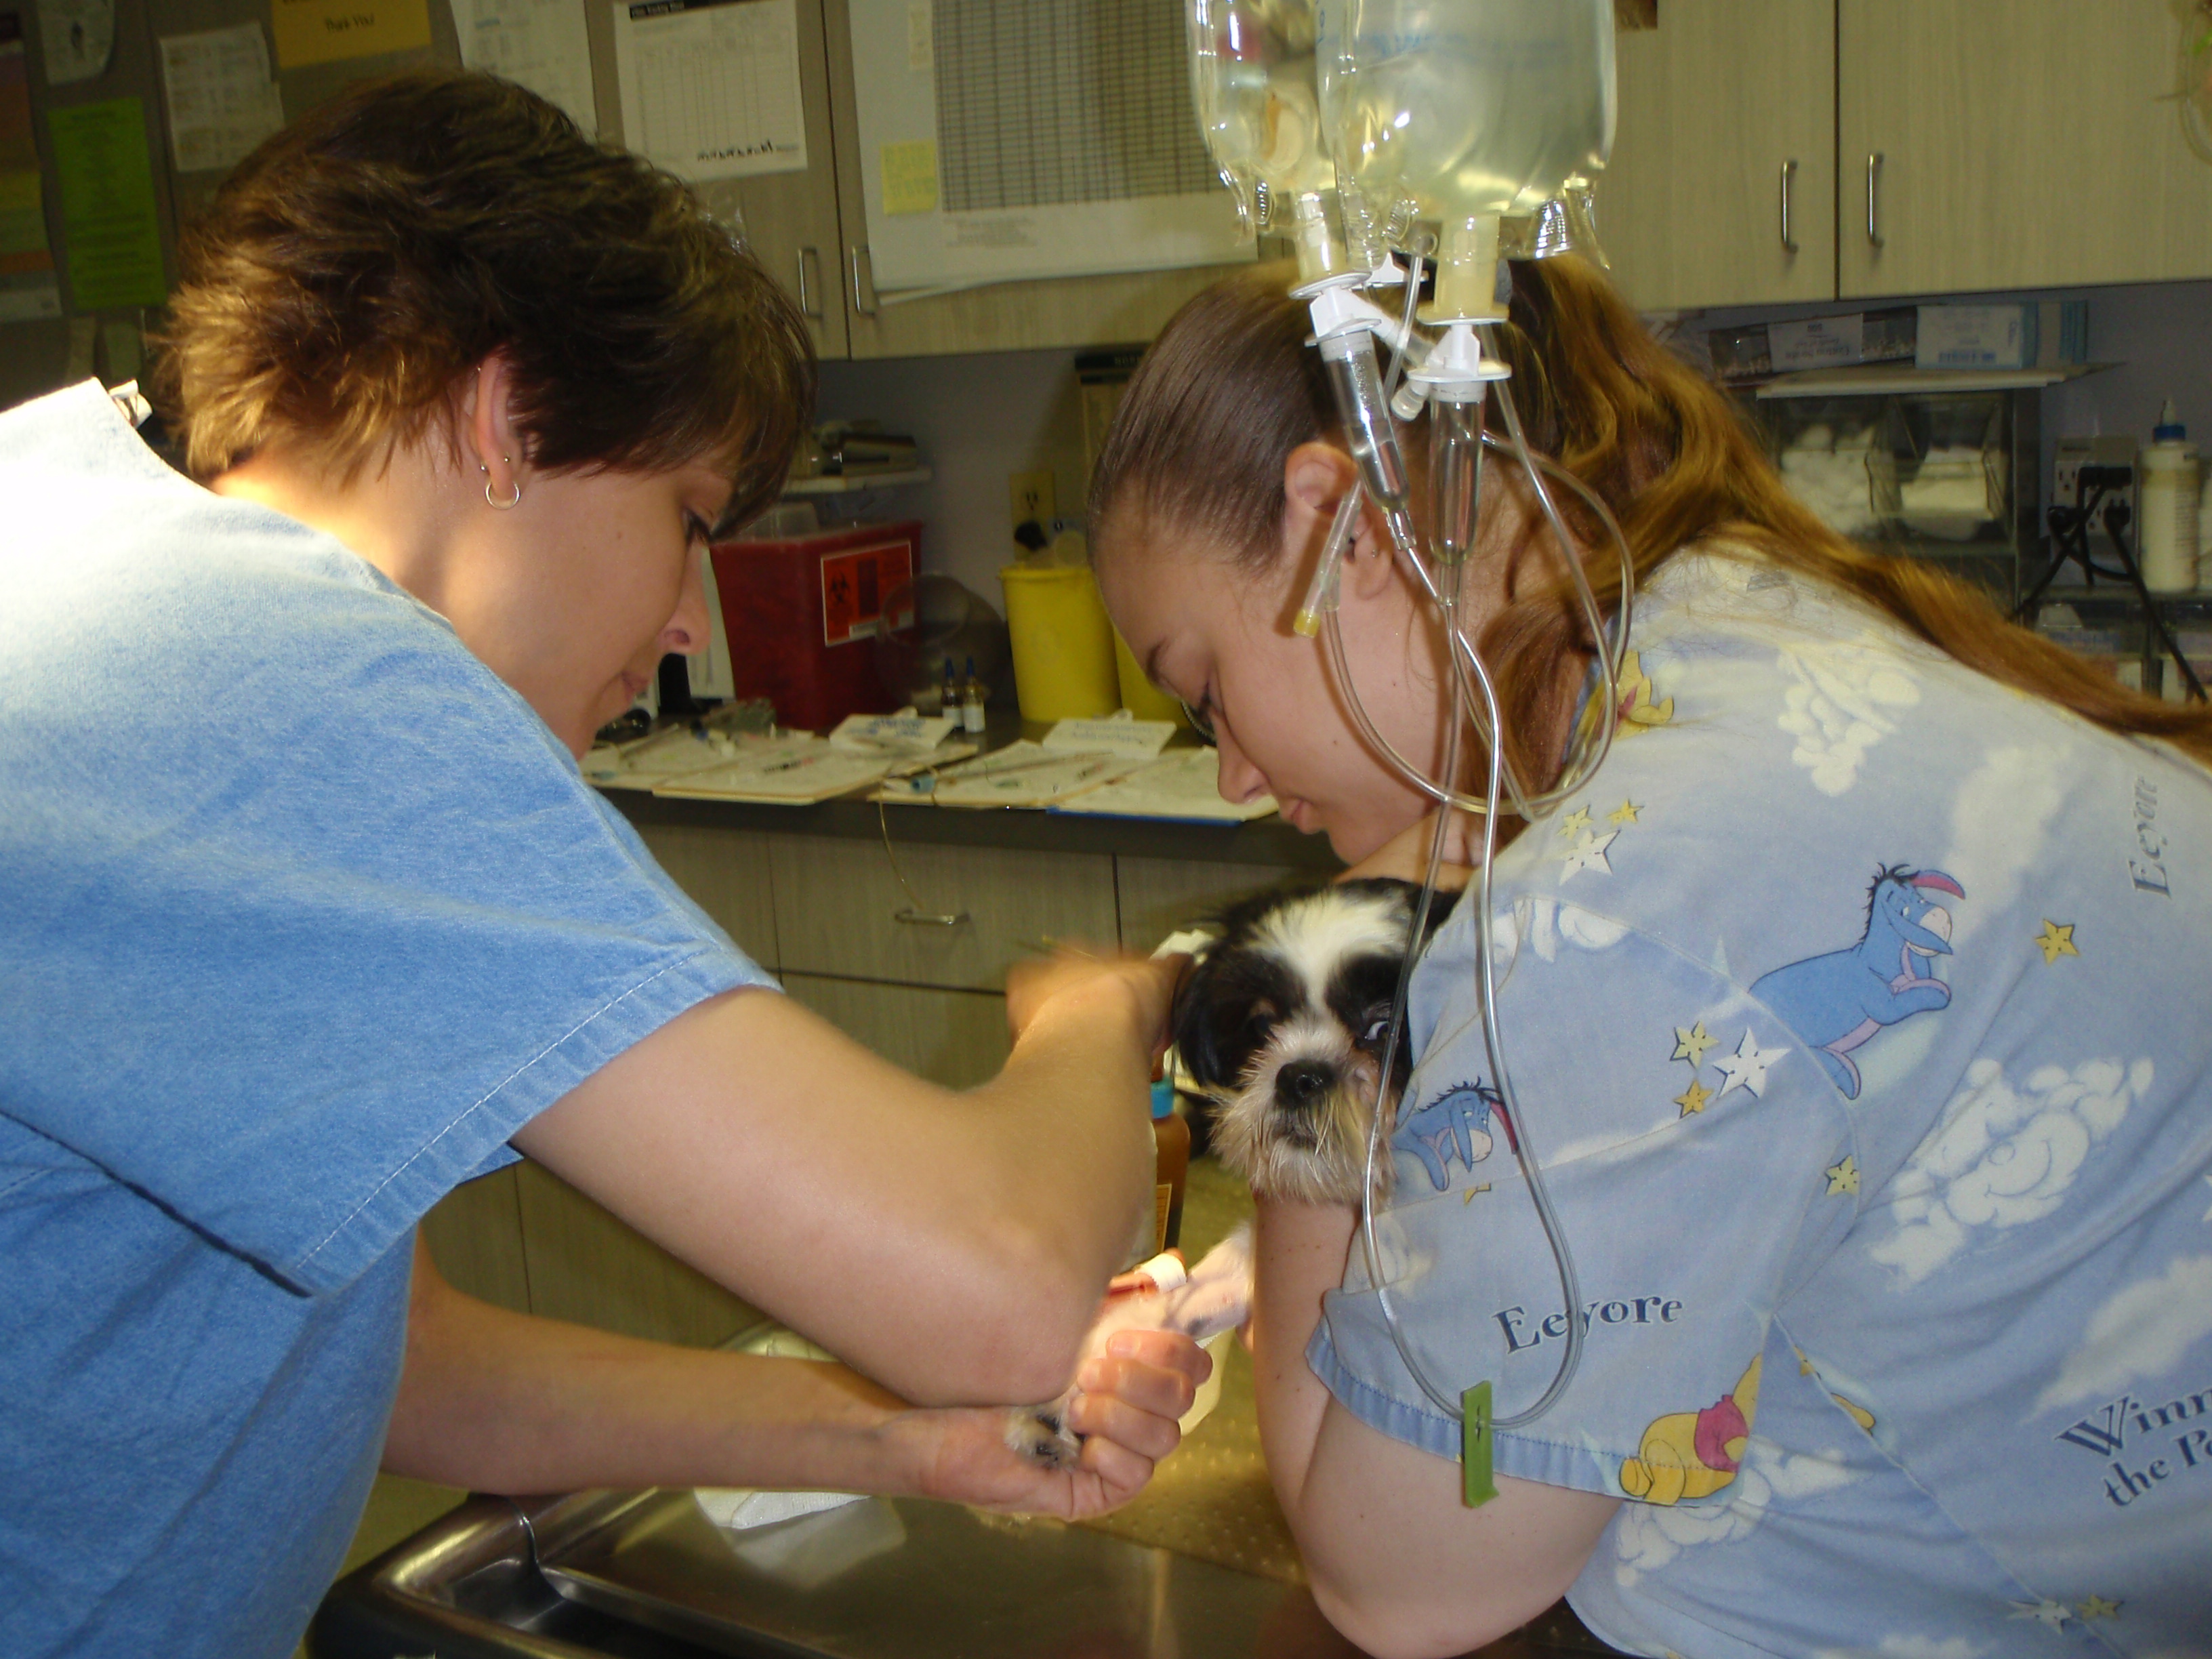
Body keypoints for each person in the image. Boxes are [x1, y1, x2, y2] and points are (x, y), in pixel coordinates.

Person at [0, 71, 1206, 1658]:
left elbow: (400, 1366)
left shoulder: (74, 539)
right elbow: (1004, 1292)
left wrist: (900, 1442)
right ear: (505, 421)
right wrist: (1106, 1008)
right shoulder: (286, 678)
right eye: (690, 517)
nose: (691, 622)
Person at [1090, 262, 2212, 1658]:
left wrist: (1304, 1141)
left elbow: (1396, 1584)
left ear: (1343, 529)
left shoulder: (1608, 915)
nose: (1238, 779)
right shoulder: (1741, 622)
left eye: (1207, 692)